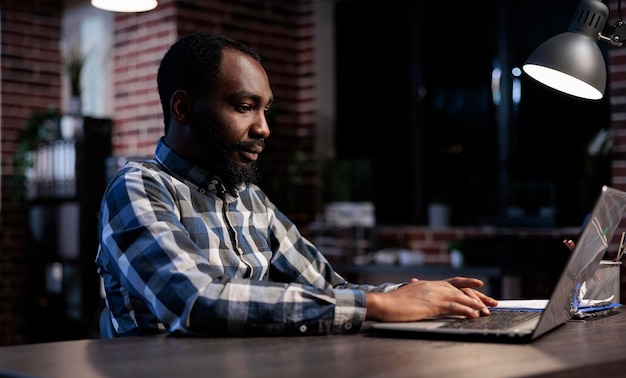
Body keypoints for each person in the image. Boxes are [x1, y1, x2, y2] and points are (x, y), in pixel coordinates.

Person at [96, 32, 498, 337]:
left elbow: (329, 287)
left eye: (265, 110)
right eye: (244, 107)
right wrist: (378, 306)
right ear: (182, 108)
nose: (263, 128)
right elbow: (195, 301)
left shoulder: (250, 199)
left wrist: (413, 294)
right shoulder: (139, 188)